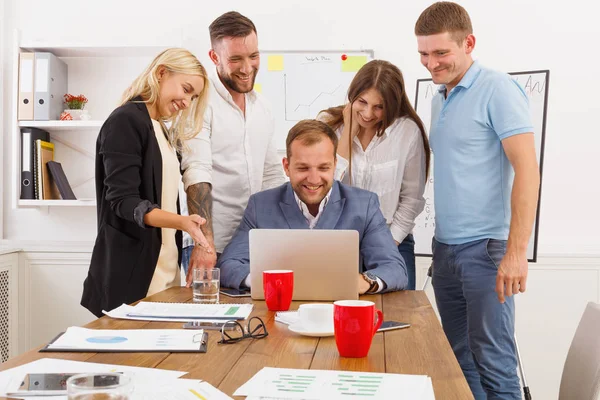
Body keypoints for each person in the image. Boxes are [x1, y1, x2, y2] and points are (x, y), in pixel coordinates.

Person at [415, 2, 540, 399]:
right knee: (457, 360)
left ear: (468, 43)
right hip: (446, 251)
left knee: (495, 361)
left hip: (486, 251)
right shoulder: (439, 98)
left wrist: (516, 252)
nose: (431, 63)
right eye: (423, 54)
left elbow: (528, 171)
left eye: (440, 53)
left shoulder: (498, 88)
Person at [81, 48, 212, 318]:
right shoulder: (126, 121)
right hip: (132, 273)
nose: (187, 102)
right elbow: (123, 201)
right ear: (161, 73)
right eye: (186, 89)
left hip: (163, 266)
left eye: (193, 96)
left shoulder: (161, 128)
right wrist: (182, 221)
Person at [218, 119, 408, 293]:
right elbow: (229, 264)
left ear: (335, 165)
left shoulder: (364, 205)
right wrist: (267, 282)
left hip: (339, 313)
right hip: (276, 313)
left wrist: (364, 281)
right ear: (286, 166)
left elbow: (394, 268)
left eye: (323, 168)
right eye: (303, 168)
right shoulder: (261, 205)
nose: (314, 179)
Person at [180, 11, 285, 281]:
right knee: (210, 321)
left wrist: (282, 232)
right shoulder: (199, 102)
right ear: (214, 57)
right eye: (236, 59)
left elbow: (271, 174)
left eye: (253, 56)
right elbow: (197, 172)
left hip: (255, 242)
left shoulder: (263, 107)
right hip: (212, 243)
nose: (247, 68)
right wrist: (205, 243)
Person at [319, 60, 430, 290]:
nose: (368, 114)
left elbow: (411, 199)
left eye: (379, 107)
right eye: (362, 102)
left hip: (394, 241)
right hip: (337, 244)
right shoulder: (328, 126)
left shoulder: (408, 132)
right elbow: (323, 191)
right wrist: (347, 133)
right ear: (352, 96)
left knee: (401, 318)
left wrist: (385, 247)